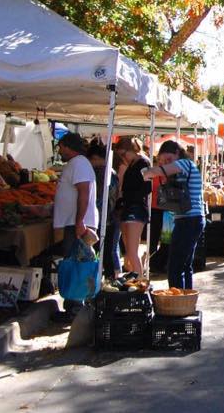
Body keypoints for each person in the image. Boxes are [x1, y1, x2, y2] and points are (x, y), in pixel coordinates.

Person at [142, 141, 205, 289]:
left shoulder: (184, 163)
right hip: (188, 219)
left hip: (189, 220)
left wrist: (149, 171)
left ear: (177, 153)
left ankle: (176, 299)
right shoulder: (183, 168)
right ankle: (185, 300)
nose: (165, 164)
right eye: (162, 161)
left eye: (169, 160)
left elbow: (157, 171)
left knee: (175, 265)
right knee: (184, 265)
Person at [52, 132, 99, 321]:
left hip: (77, 223)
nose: (59, 151)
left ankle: (75, 309)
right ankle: (74, 306)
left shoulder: (79, 163)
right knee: (75, 263)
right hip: (74, 221)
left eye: (61, 147)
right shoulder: (78, 164)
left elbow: (83, 192)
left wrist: (80, 221)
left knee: (76, 265)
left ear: (68, 146)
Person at [112, 137, 151, 277]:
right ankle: (135, 278)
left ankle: (141, 281)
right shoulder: (132, 163)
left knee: (132, 251)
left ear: (132, 150)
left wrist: (129, 196)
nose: (123, 158)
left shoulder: (144, 162)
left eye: (123, 154)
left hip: (136, 209)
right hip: (128, 207)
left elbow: (147, 187)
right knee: (129, 250)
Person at [88, 141, 121, 280]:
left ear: (95, 158)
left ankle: (109, 282)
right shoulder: (110, 171)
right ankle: (110, 280)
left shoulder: (101, 173)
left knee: (105, 253)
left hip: (103, 219)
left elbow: (99, 197)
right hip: (109, 218)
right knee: (108, 252)